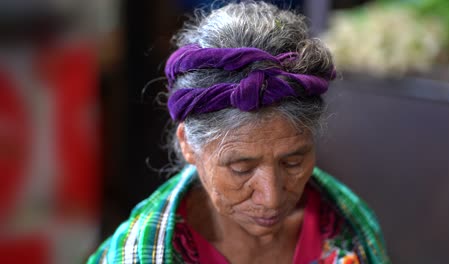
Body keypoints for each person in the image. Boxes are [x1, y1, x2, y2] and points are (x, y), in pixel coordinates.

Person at [88, 2, 389, 263]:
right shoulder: (139, 254)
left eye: (293, 162)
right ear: (188, 145)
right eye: (241, 168)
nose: (271, 198)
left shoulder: (348, 225)